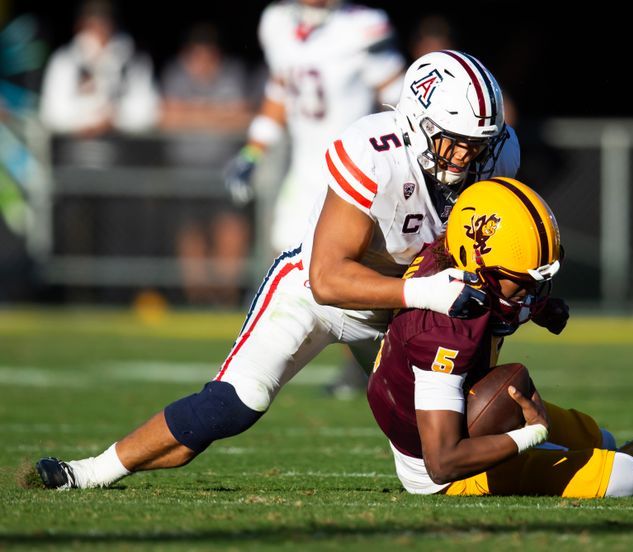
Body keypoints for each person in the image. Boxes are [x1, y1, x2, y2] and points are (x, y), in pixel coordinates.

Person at [34, 50, 523, 490]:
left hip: (403, 306)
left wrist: (525, 298)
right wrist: (426, 295)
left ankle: (582, 452)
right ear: (417, 124)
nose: (466, 156)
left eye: (477, 142)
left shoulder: (498, 156)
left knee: (453, 430)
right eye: (453, 141)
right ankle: (90, 472)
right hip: (315, 293)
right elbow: (329, 277)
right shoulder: (376, 153)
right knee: (232, 405)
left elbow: (489, 244)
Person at [368, 177, 633, 497]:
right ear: (476, 266)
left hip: (469, 396)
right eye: (522, 283)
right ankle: (546, 449)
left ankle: (565, 450)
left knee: (599, 439)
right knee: (626, 476)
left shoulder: (456, 261)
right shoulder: (444, 331)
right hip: (443, 468)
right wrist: (532, 435)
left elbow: (504, 288)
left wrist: (537, 307)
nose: (530, 295)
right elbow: (442, 463)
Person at [225, 0, 407, 396]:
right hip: (305, 170)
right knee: (288, 265)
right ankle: (264, 360)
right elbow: (280, 89)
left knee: (353, 265)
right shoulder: (275, 23)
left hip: (354, 170)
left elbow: (401, 97)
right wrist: (252, 151)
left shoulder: (363, 25)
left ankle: (371, 366)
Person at [160, 23, 253, 306]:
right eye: (197, 54)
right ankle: (197, 298)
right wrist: (216, 115)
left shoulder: (232, 73)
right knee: (190, 233)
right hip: (186, 169)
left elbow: (245, 117)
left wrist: (193, 113)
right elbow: (166, 118)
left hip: (225, 170)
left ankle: (224, 296)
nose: (203, 60)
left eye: (208, 54)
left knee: (231, 228)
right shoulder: (175, 74)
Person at [38, 0, 159, 137]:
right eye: (92, 25)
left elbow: (148, 112)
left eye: (104, 24)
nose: (99, 32)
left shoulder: (135, 59)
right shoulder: (64, 61)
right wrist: (88, 120)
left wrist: (114, 118)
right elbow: (52, 113)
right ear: (80, 26)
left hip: (124, 148)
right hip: (73, 149)